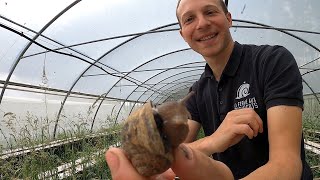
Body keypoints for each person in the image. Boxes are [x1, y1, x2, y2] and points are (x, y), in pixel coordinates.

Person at [106, 0, 313, 179]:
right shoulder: (198, 90)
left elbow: (287, 166)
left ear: (229, 18)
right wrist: (212, 141)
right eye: (189, 19)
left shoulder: (271, 62)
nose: (202, 23)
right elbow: (172, 153)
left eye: (210, 12)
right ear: (183, 34)